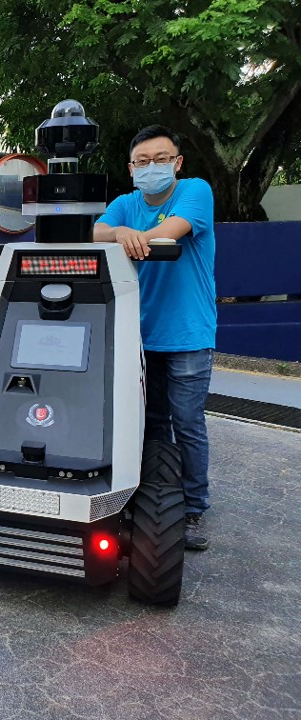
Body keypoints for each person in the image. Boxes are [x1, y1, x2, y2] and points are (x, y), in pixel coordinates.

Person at [94, 125, 216, 551]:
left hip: (187, 335)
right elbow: (96, 232)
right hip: (139, 337)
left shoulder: (195, 191)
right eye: (143, 162)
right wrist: (118, 232)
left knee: (187, 423)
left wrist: (130, 236)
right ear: (131, 168)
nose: (152, 168)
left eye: (161, 160)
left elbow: (173, 231)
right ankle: (153, 500)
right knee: (147, 424)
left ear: (177, 163)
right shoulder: (127, 203)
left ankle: (195, 507)